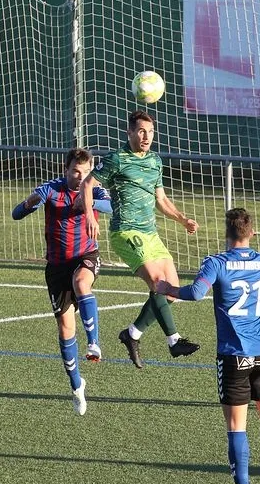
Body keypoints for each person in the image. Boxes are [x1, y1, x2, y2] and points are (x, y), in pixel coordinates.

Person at [156, 208, 260, 484]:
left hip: (232, 357)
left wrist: (167, 289)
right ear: (252, 232)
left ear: (227, 233)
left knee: (237, 427)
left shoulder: (216, 263)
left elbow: (196, 293)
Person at [81, 110, 200, 368]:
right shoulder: (117, 159)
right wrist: (90, 216)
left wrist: (182, 219)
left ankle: (132, 333)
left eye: (150, 132)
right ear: (130, 132)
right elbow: (87, 184)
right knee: (158, 283)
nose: (146, 137)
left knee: (172, 292)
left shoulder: (155, 161)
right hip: (126, 232)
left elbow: (161, 199)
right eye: (141, 131)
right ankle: (174, 341)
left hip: (150, 234)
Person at [13, 147, 112, 415]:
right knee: (66, 328)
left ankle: (93, 343)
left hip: (85, 256)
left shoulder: (94, 190)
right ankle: (77, 386)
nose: (81, 177)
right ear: (65, 170)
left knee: (82, 283)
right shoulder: (51, 189)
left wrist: (89, 204)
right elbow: (16, 213)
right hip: (57, 267)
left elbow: (113, 208)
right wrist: (30, 202)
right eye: (76, 172)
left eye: (86, 173)